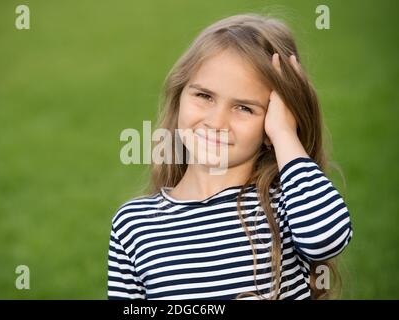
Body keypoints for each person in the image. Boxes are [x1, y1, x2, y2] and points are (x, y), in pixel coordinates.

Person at [107, 13, 353, 300]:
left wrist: (285, 133)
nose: (217, 122)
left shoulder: (284, 206)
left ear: (270, 125)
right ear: (179, 96)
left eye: (245, 108)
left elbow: (326, 239)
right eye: (204, 96)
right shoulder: (135, 225)